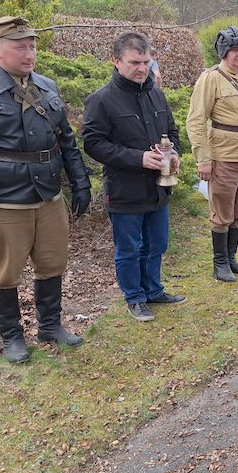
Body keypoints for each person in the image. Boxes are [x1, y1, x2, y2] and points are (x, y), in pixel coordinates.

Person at [0, 15, 91, 364]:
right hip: (3, 201)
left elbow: (66, 141)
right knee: (4, 272)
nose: (30, 54)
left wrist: (80, 181)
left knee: (52, 263)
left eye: (32, 46)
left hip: (48, 196)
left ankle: (50, 326)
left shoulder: (46, 86)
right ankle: (12, 338)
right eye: (21, 47)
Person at [82, 32, 186, 323]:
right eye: (134, 62)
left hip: (158, 188)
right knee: (129, 249)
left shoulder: (156, 94)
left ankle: (153, 290)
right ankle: (135, 298)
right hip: (125, 189)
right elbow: (93, 144)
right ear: (116, 61)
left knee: (157, 244)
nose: (142, 68)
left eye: (146, 61)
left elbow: (172, 132)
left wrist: (173, 154)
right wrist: (138, 158)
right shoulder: (102, 100)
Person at [186, 26, 238, 283]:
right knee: (221, 212)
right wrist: (203, 159)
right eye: (234, 50)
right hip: (225, 157)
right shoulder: (211, 78)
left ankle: (231, 258)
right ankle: (219, 263)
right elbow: (196, 121)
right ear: (223, 52)